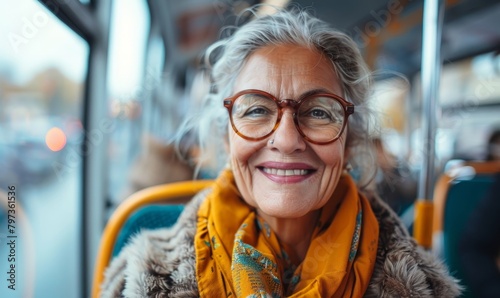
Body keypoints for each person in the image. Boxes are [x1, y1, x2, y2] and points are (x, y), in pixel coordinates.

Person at [101, 7, 462, 297]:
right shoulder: (142, 280)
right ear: (228, 140)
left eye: (319, 112)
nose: (287, 140)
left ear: (349, 143)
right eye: (256, 110)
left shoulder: (422, 288)